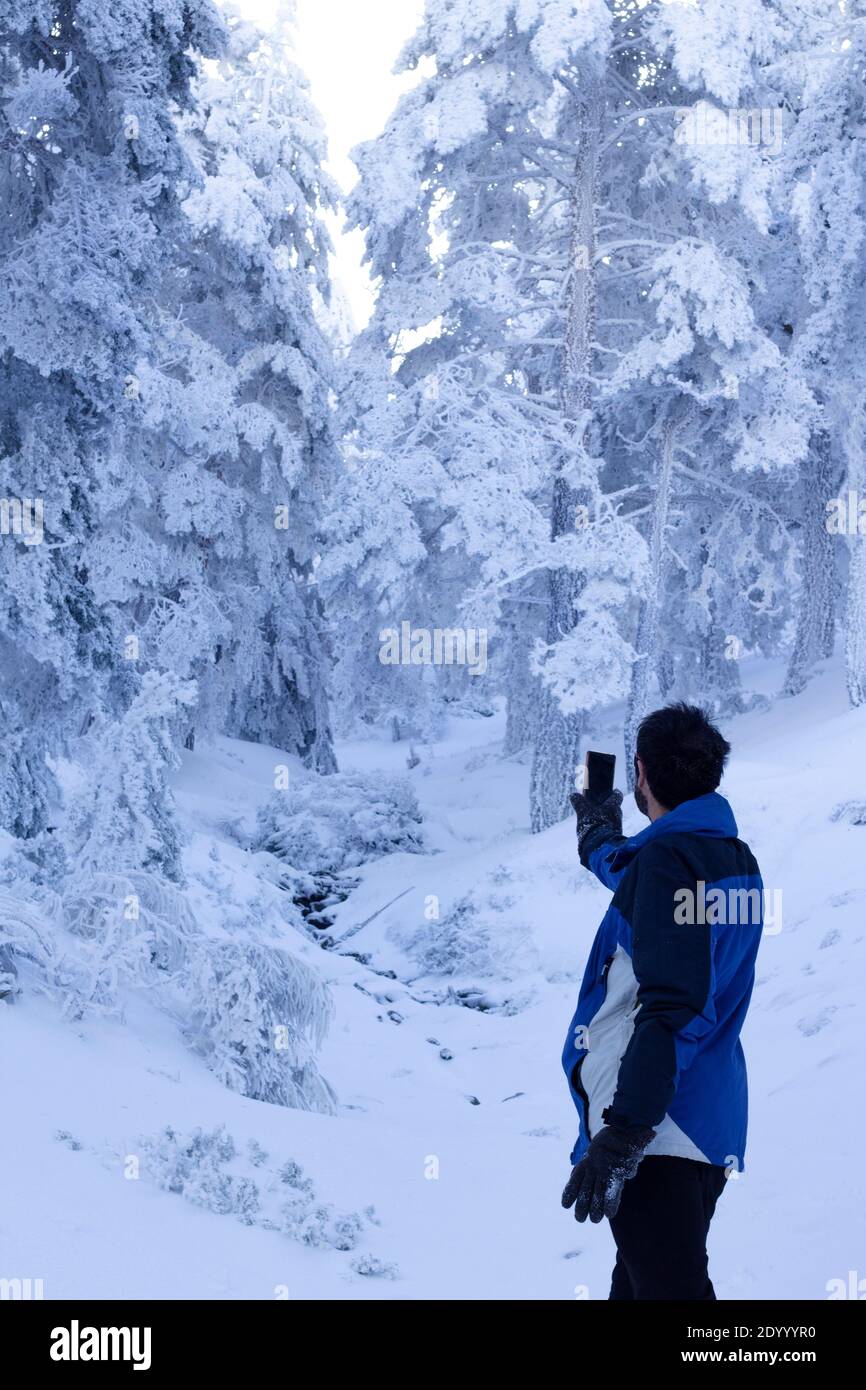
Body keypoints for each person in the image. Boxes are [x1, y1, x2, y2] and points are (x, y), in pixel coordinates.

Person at [562, 702, 764, 1300]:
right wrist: (598, 835)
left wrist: (625, 1133)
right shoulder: (734, 861)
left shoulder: (665, 865)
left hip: (654, 1125)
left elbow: (671, 1006)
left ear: (642, 774)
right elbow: (642, 883)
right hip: (703, 1120)